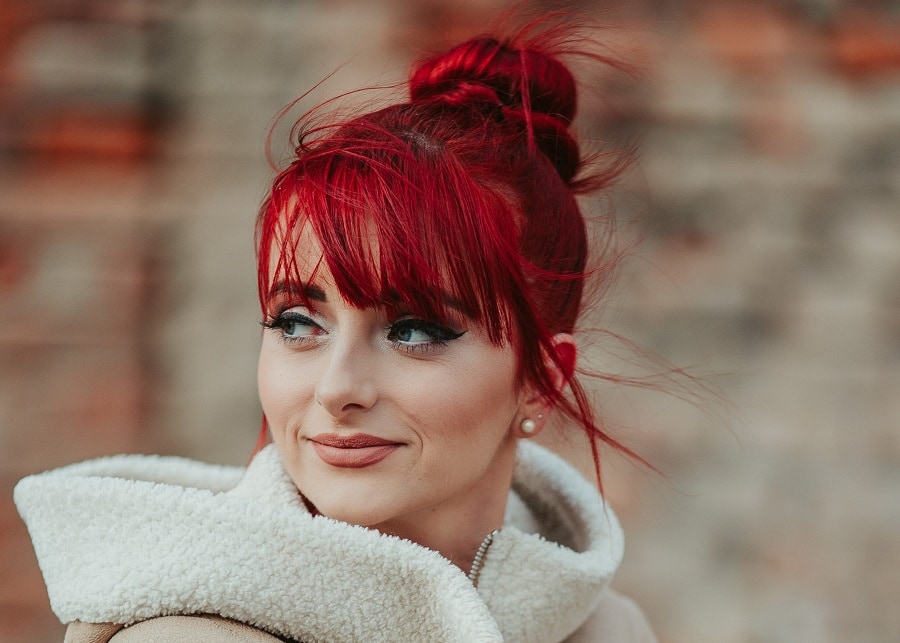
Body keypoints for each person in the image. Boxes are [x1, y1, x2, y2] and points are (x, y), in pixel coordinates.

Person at [15, 17, 659, 643]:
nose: (335, 388)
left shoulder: (609, 630)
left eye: (413, 331)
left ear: (542, 383)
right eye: (297, 322)